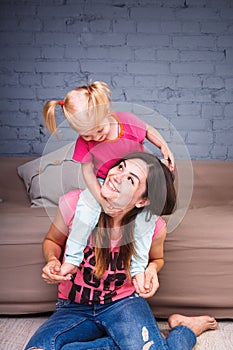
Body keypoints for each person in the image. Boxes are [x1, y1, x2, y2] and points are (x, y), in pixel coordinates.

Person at [25, 153, 217, 350]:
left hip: (123, 304)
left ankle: (184, 330)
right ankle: (154, 339)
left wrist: (151, 270)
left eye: (131, 180)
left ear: (142, 201)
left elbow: (157, 259)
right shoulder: (74, 204)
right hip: (74, 307)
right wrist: (52, 260)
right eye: (120, 167)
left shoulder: (152, 226)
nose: (117, 176)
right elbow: (52, 241)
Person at [43, 81, 175, 292]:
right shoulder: (84, 143)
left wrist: (163, 146)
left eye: (98, 130)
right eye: (87, 135)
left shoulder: (128, 123)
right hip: (105, 181)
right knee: (86, 209)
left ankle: (138, 270)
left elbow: (148, 130)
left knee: (145, 221)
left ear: (107, 112)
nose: (95, 138)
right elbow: (87, 171)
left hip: (138, 179)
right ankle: (73, 259)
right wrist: (100, 198)